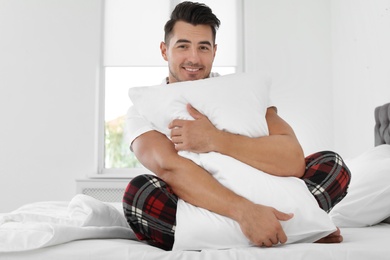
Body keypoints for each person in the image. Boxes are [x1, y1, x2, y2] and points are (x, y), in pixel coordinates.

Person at [123, 1, 351, 250]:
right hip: (204, 202)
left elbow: (293, 162)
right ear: (164, 50)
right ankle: (297, 226)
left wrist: (214, 139)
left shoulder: (243, 93)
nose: (194, 58)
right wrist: (245, 212)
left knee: (331, 164)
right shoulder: (141, 109)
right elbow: (171, 169)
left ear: (215, 51)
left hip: (264, 189)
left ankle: (267, 226)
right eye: (183, 46)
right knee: (140, 195)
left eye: (203, 47)